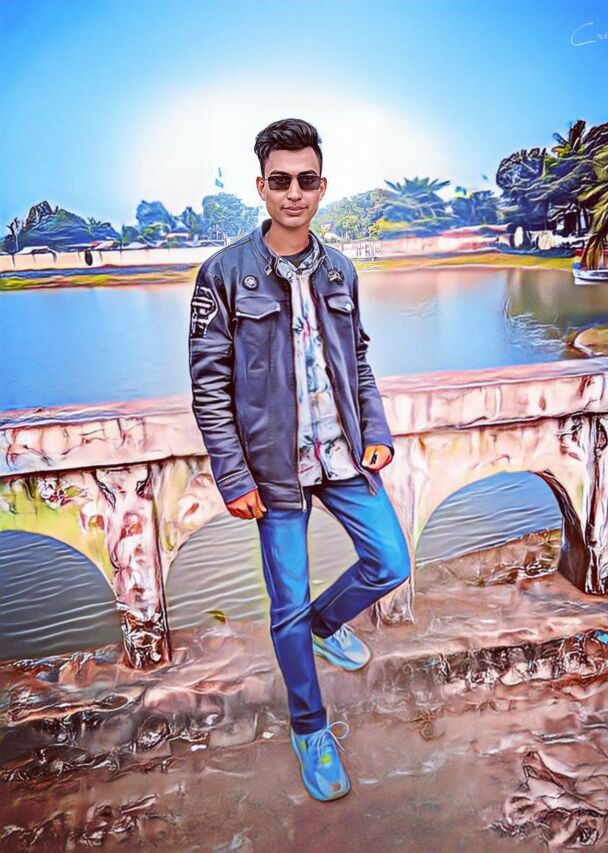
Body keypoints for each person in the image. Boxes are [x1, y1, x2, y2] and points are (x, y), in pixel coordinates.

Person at [188, 117, 411, 801]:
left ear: (322, 186)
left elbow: (359, 360)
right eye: (280, 180)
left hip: (343, 456)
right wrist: (233, 475)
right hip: (273, 470)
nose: (294, 192)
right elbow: (209, 385)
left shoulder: (340, 268)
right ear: (260, 187)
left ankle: (324, 623)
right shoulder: (223, 274)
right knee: (285, 602)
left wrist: (376, 428)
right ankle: (311, 729)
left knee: (390, 562)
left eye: (305, 180)